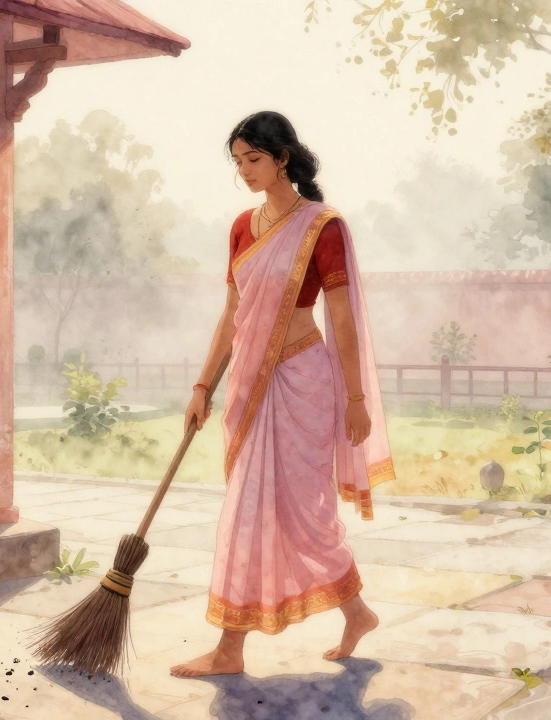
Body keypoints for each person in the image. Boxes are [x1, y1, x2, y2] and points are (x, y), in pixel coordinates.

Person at [169, 111, 396, 678]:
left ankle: (351, 613)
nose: (244, 171)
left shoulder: (322, 226)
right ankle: (238, 647)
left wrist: (356, 399)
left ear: (282, 158)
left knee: (305, 514)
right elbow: (232, 313)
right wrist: (201, 386)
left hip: (303, 381)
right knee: (249, 510)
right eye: (237, 161)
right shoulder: (241, 227)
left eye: (254, 159)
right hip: (249, 385)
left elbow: (341, 316)